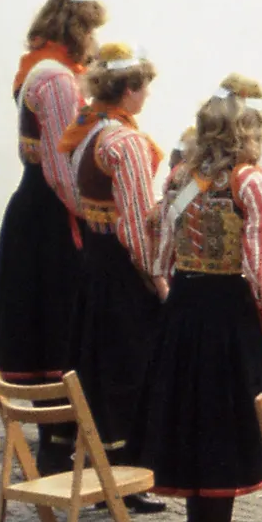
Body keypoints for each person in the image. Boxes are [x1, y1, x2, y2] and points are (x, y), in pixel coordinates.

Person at [139, 75, 262, 522]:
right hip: (227, 313)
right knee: (224, 425)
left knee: (195, 423)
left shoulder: (181, 178)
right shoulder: (250, 183)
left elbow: (159, 256)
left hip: (184, 308)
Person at [0, 0, 104, 389]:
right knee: (56, 325)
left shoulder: (38, 66)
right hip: (52, 213)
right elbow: (60, 165)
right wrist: (89, 215)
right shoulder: (57, 80)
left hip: (38, 205)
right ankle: (62, 421)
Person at [66, 40, 166, 478]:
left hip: (94, 259)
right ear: (128, 90)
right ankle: (128, 476)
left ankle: (102, 464)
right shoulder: (125, 143)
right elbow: (136, 224)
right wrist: (157, 278)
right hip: (122, 269)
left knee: (99, 365)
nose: (147, 95)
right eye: (143, 87)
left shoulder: (87, 131)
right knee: (130, 366)